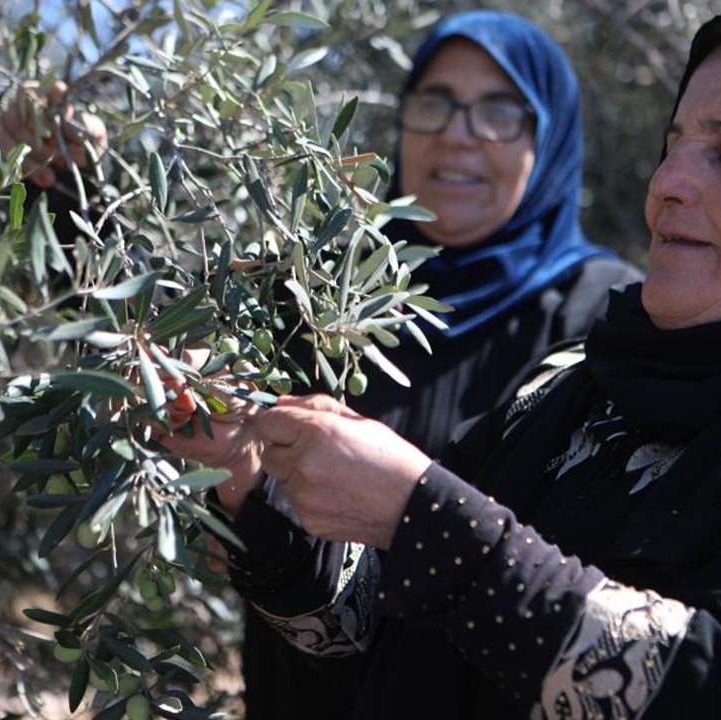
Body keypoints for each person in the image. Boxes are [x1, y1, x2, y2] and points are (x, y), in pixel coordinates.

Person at [161, 12, 721, 718]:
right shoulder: (583, 377)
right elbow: (390, 633)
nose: (669, 184)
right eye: (674, 144)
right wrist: (253, 490)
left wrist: (428, 520)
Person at [239, 11, 640, 719]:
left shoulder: (604, 319)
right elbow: (143, 332)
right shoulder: (317, 287)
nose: (458, 133)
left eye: (499, 110)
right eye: (435, 102)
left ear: (547, 141)